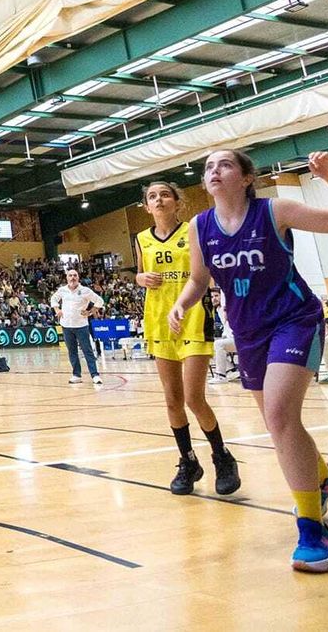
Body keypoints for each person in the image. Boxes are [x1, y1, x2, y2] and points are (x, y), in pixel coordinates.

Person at [169, 149, 328, 573]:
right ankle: (323, 476)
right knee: (280, 424)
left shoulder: (275, 211)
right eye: (208, 167)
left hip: (293, 320)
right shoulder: (200, 226)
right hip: (248, 332)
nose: (214, 171)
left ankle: (313, 530)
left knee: (278, 415)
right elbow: (199, 279)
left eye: (224, 164)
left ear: (245, 178)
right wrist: (182, 303)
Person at [134, 181, 241, 496]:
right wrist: (140, 278)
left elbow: (206, 272)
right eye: (152, 196)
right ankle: (188, 460)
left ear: (177, 202)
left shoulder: (193, 231)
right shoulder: (141, 239)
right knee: (172, 400)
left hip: (192, 317)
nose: (159, 199)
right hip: (159, 320)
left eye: (165, 194)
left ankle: (222, 456)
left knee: (194, 398)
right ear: (147, 207)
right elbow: (140, 274)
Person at [50, 266, 105, 385]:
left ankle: (95, 375)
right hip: (66, 325)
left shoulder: (85, 290)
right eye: (70, 275)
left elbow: (100, 301)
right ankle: (76, 375)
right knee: (72, 351)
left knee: (87, 351)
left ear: (78, 277)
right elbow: (53, 299)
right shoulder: (62, 290)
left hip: (81, 325)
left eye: (75, 275)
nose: (72, 278)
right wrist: (57, 310)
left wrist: (91, 311)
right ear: (66, 278)